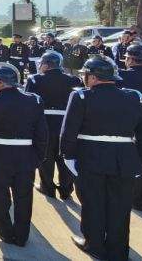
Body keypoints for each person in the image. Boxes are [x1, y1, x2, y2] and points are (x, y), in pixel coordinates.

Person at [61, 56, 142, 260]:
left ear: (92, 78)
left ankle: (95, 245)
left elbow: (68, 132)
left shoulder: (82, 97)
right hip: (125, 160)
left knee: (93, 204)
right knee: (120, 207)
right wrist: (141, 160)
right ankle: (118, 251)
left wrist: (68, 156)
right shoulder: (134, 97)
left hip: (91, 157)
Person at [0, 65, 48, 247]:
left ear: (0, 82)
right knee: (24, 197)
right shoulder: (34, 100)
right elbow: (42, 134)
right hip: (26, 157)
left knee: (0, 197)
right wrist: (38, 156)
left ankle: (6, 233)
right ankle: (22, 235)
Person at [24, 51, 83, 200]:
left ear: (45, 65)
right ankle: (66, 189)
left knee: (45, 157)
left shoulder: (35, 79)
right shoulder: (74, 80)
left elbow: (28, 104)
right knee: (66, 155)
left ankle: (47, 187)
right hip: (67, 123)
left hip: (43, 123)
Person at [118, 44, 142, 210]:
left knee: (135, 164)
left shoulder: (122, 76)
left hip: (129, 125)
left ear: (130, 59)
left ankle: (138, 199)